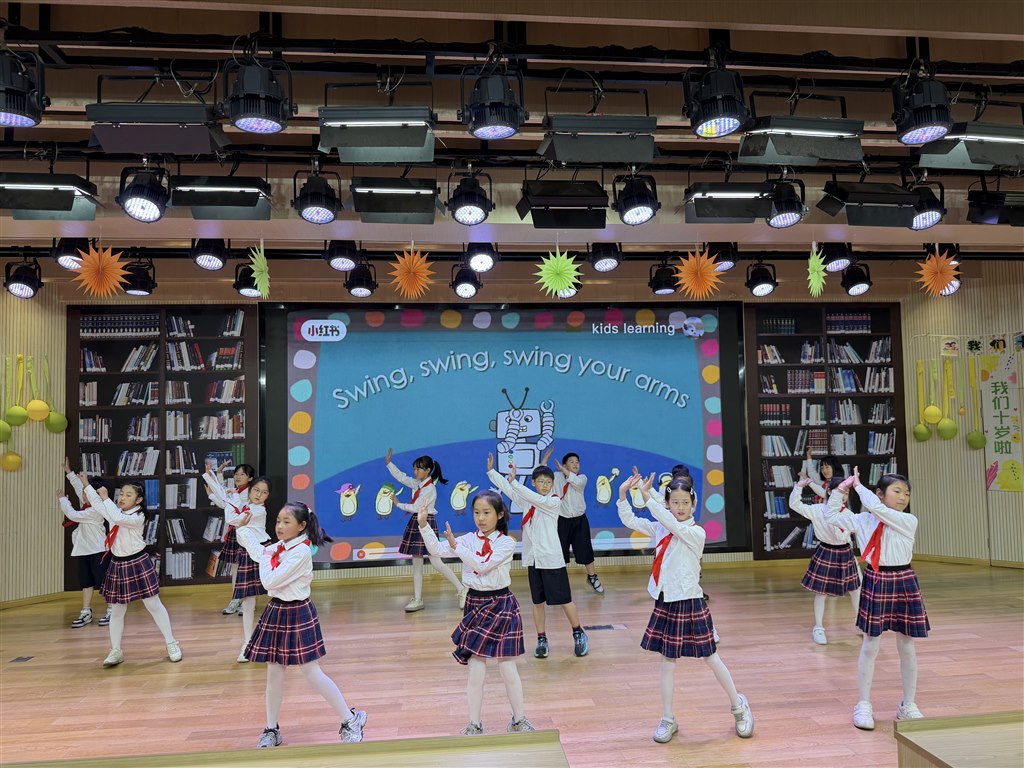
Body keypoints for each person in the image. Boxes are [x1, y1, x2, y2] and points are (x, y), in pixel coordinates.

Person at [617, 470, 753, 744]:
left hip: (691, 602)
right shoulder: (661, 526)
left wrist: (650, 497)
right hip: (666, 602)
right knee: (667, 662)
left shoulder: (695, 532)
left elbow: (672, 523)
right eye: (675, 502)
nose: (680, 508)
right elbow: (630, 519)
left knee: (711, 658)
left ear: (693, 505)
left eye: (685, 503)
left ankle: (739, 706)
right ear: (668, 504)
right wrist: (623, 495)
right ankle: (668, 718)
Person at [236, 501, 367, 749]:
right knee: (274, 673)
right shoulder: (279, 548)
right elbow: (257, 550)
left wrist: (266, 555)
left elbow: (269, 580)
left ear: (302, 525)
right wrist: (242, 529)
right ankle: (271, 729)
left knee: (312, 673)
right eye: (278, 521)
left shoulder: (301, 552)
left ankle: (351, 719)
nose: (279, 526)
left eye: (286, 522)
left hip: (298, 612)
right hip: (277, 611)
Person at [417, 490, 533, 735]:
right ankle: (474, 724)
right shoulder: (468, 540)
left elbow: (482, 565)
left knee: (508, 668)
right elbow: (436, 550)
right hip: (475, 605)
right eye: (477, 512)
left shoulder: (507, 542)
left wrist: (456, 546)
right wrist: (424, 525)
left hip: (502, 604)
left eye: (486, 512)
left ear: (499, 514)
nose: (481, 518)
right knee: (476, 670)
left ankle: (519, 720)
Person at [827, 469, 928, 731]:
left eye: (907, 493)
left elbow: (879, 510)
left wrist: (859, 487)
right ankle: (863, 704)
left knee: (907, 644)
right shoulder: (862, 520)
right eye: (897, 491)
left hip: (904, 579)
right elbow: (830, 516)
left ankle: (908, 704)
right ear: (880, 494)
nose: (903, 497)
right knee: (871, 644)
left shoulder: (908, 520)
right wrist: (841, 490)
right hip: (876, 579)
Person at [486, 453, 589, 659]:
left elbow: (528, 495)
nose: (545, 485)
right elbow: (509, 490)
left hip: (552, 560)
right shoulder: (528, 502)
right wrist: (492, 472)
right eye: (541, 482)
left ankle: (578, 633)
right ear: (533, 483)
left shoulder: (553, 502)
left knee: (564, 600)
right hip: (534, 560)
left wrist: (515, 482)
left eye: (548, 482)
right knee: (537, 602)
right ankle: (542, 639)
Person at [78, 472, 181, 667]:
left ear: (138, 500)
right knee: (117, 610)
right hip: (118, 564)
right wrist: (86, 486)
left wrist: (106, 498)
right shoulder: (115, 510)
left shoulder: (138, 516)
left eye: (128, 495)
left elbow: (115, 516)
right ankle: (116, 650)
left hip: (138, 562)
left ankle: (171, 643)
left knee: (153, 605)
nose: (122, 498)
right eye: (121, 494)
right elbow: (99, 506)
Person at [385, 448, 466, 612]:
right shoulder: (418, 484)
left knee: (436, 562)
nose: (415, 472)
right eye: (414, 468)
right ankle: (418, 599)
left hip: (425, 523)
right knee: (417, 564)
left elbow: (416, 507)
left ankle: (462, 589)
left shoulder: (429, 489)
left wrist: (398, 504)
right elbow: (402, 477)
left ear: (427, 470)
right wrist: (389, 464)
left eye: (418, 469)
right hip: (418, 522)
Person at [205, 469, 272, 663]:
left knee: (274, 598)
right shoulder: (245, 504)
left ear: (268, 496)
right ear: (250, 490)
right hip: (247, 554)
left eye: (264, 492)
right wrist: (213, 479)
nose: (258, 494)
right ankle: (247, 644)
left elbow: (233, 518)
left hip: (261, 553)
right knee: (248, 601)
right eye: (256, 490)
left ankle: (269, 641)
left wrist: (231, 498)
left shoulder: (258, 510)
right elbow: (226, 502)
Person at [790, 475, 861, 645]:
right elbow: (795, 505)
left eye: (846, 493)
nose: (843, 496)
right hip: (826, 551)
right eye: (840, 491)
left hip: (845, 552)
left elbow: (843, 536)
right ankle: (818, 627)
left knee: (855, 590)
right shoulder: (818, 510)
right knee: (821, 592)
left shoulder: (848, 514)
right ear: (829, 492)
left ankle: (860, 623)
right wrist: (798, 487)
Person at [60, 457, 111, 628]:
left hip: (98, 551)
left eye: (86, 493)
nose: (82, 495)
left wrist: (63, 499)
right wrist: (69, 473)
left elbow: (72, 515)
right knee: (86, 582)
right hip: (83, 550)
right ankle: (86, 611)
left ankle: (112, 609)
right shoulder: (87, 503)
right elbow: (78, 488)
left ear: (95, 496)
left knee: (103, 582)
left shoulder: (96, 510)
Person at [549, 450, 604, 594]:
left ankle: (592, 577)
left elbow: (576, 483)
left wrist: (564, 471)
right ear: (564, 465)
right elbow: (541, 475)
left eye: (577, 462)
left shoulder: (582, 478)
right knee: (560, 552)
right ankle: (559, 582)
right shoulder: (556, 477)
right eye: (571, 462)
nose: (575, 464)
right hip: (562, 521)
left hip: (580, 520)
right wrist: (546, 459)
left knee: (585, 549)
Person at [207, 461, 257, 616]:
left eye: (242, 474)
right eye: (236, 474)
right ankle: (236, 599)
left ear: (250, 478)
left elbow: (226, 502)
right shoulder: (235, 491)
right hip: (235, 533)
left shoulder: (251, 494)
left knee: (248, 569)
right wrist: (219, 474)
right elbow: (224, 497)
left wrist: (212, 495)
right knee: (235, 568)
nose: (238, 477)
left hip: (247, 532)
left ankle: (247, 601)